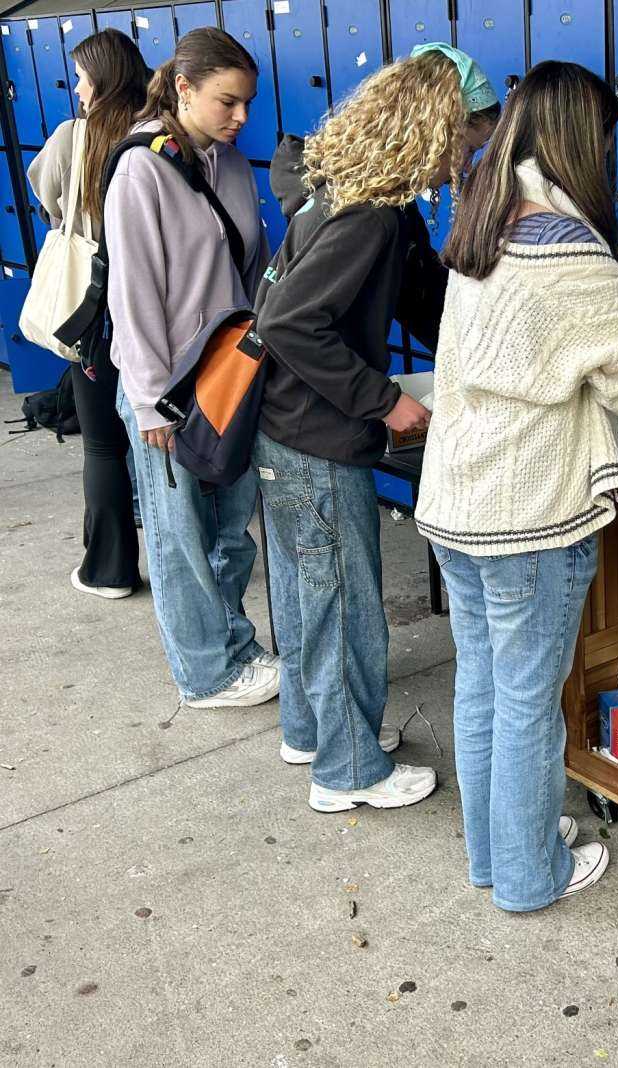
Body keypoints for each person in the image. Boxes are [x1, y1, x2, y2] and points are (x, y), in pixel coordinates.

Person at [414, 60, 618, 910]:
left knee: (484, 682)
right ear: (584, 142)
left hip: (456, 504)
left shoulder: (486, 225)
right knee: (528, 702)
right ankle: (529, 876)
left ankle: (495, 854)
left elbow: (606, 272)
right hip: (527, 519)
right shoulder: (569, 254)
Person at [252, 44, 498, 813]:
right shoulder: (368, 215)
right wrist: (383, 401)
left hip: (287, 429)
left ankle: (314, 730)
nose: (466, 161)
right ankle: (349, 770)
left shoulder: (350, 192)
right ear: (432, 129)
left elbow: (423, 299)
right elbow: (290, 321)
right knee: (343, 605)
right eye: (466, 143)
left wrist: (474, 353)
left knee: (304, 595)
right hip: (315, 437)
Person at [106, 28, 277, 709]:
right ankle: (206, 673)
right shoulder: (141, 169)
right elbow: (134, 294)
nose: (240, 118)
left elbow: (247, 267)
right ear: (183, 87)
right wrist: (149, 402)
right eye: (226, 102)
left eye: (247, 104)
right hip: (169, 388)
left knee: (233, 528)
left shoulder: (229, 163)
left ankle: (233, 641)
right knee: (183, 540)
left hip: (226, 378)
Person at [27, 29, 150, 599]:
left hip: (94, 314)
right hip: (155, 309)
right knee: (160, 434)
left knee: (103, 444)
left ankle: (109, 570)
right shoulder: (157, 135)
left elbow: (48, 197)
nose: (76, 88)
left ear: (102, 78)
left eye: (81, 76)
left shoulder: (74, 139)